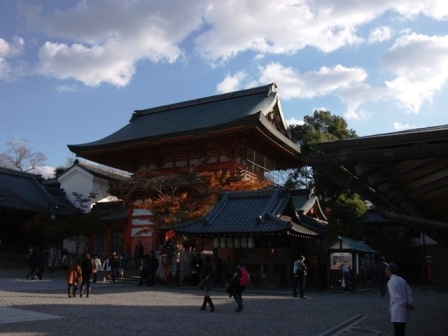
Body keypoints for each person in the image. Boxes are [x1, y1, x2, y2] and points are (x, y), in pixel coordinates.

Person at [386, 263, 414, 336]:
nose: (385, 271)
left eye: (386, 269)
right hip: (404, 309)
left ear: (389, 270)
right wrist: (409, 303)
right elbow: (409, 292)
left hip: (397, 308)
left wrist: (405, 303)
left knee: (398, 330)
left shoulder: (391, 282)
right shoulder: (402, 279)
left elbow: (395, 296)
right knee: (402, 330)